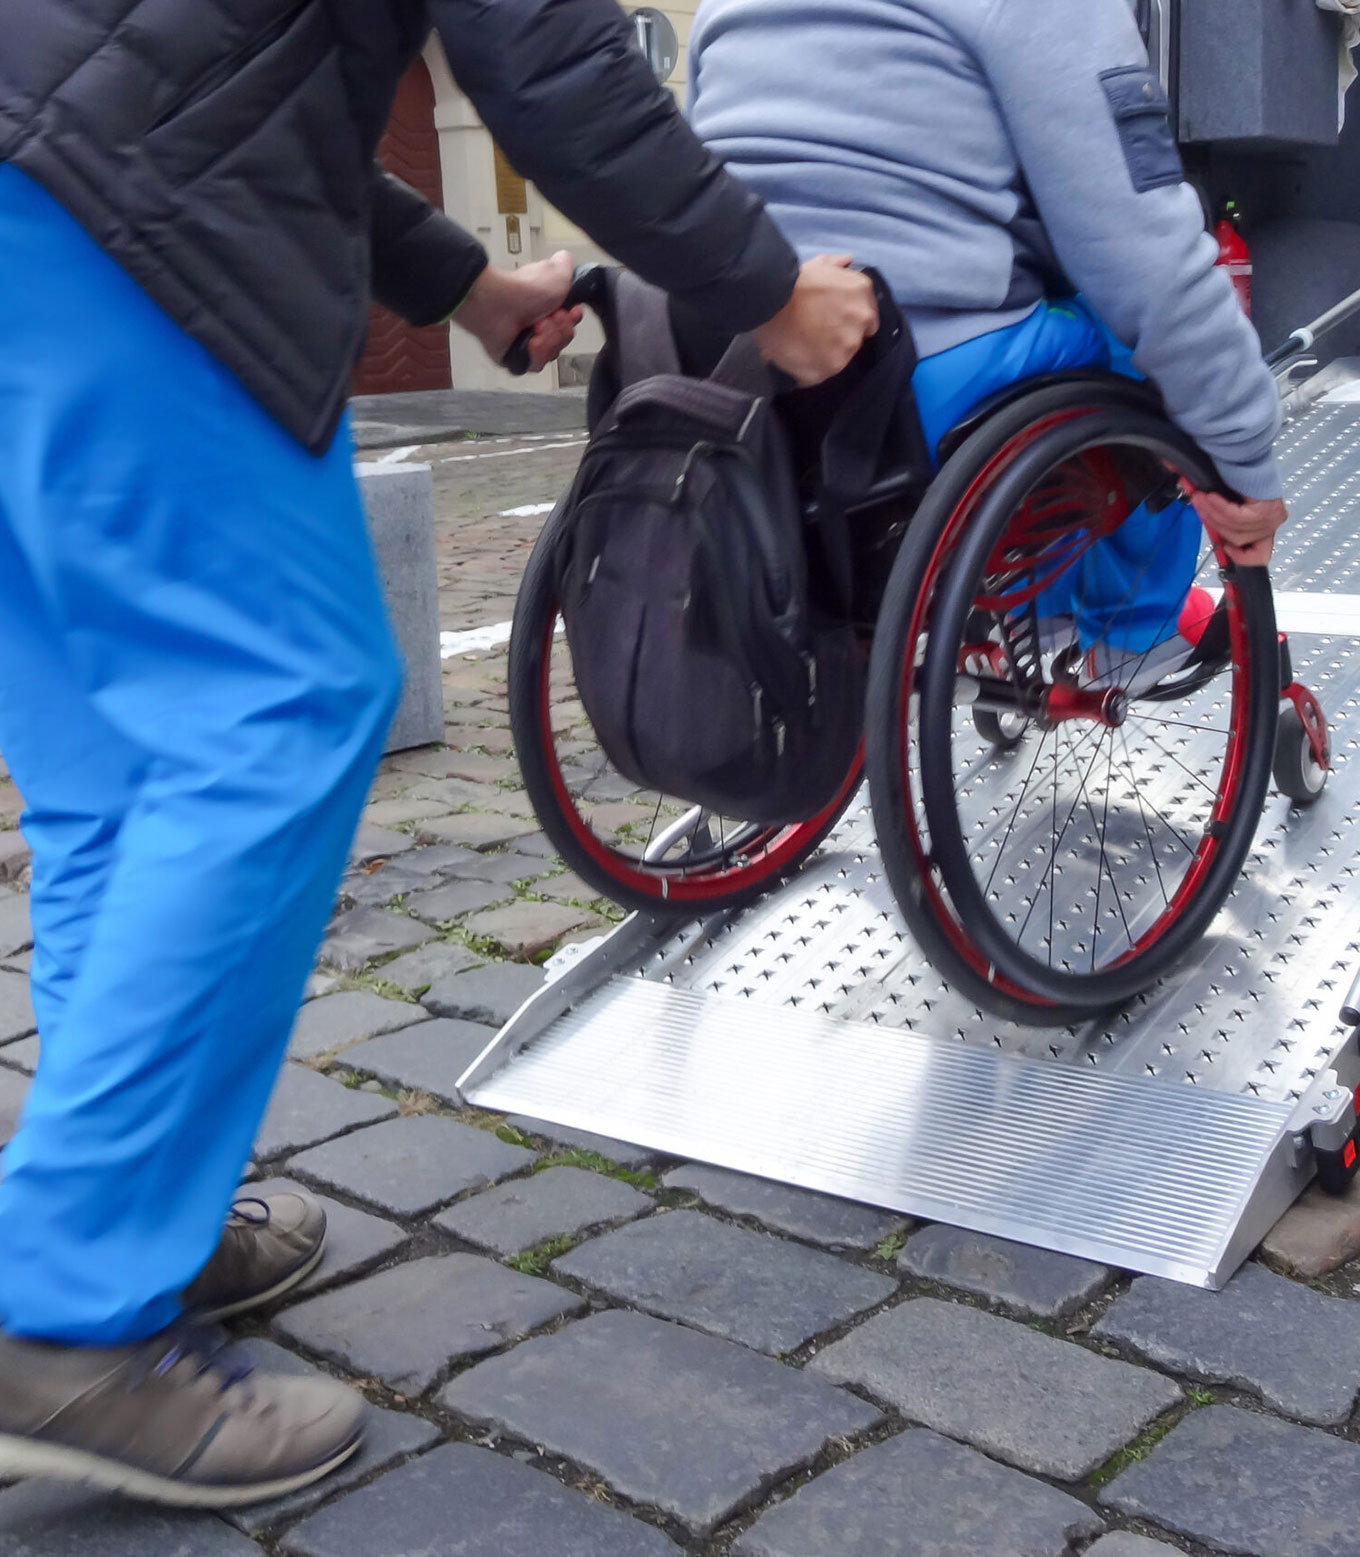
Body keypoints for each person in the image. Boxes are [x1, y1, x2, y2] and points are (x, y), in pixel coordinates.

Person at [0, 0, 878, 1507]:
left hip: (51, 185)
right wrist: (770, 289)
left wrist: (464, 282)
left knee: (117, 777)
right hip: (116, 225)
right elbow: (543, 58)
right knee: (271, 709)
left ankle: (131, 1192)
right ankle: (65, 1312)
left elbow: (234, 66)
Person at [686, 0, 1289, 689]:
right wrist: (1244, 456)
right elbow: (1146, 256)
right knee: (1146, 347)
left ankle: (1044, 612)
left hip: (741, 374)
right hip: (915, 382)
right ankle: (1130, 632)